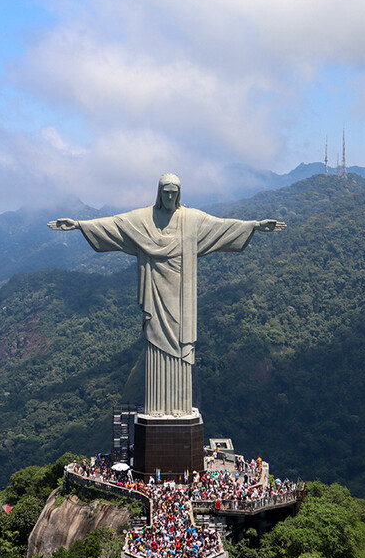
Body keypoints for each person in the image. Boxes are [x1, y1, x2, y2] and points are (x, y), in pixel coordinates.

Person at [49, 173, 284, 416]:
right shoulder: (144, 219)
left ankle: (180, 407)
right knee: (155, 345)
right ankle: (157, 407)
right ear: (159, 193)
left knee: (182, 346)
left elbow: (222, 226)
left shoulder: (192, 219)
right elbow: (115, 224)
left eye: (174, 192)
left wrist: (254, 225)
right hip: (155, 292)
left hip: (182, 296)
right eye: (166, 192)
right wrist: (79, 225)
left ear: (180, 193)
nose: (170, 196)